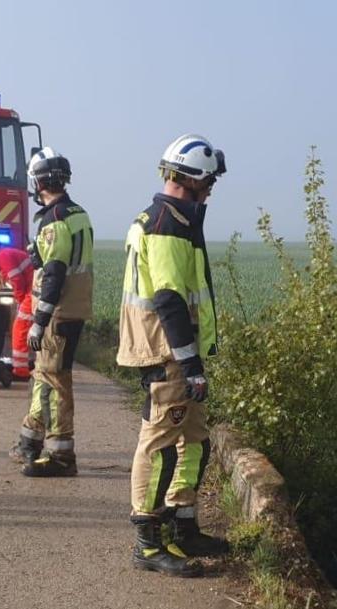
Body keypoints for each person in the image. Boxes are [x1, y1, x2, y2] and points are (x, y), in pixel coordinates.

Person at [117, 134, 229, 577]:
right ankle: (147, 542)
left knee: (195, 440)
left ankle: (183, 524)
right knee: (161, 445)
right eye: (210, 182)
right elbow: (168, 299)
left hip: (177, 354)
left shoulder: (179, 220)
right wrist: (191, 363)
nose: (212, 191)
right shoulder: (166, 225)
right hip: (167, 355)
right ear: (194, 179)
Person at [11, 148, 94, 477]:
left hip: (57, 314)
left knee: (55, 381)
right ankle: (28, 441)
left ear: (38, 181)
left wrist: (38, 321)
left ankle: (61, 454)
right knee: (44, 376)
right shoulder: (78, 213)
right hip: (75, 308)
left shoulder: (53, 219)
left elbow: (56, 275)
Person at [0, 234, 35, 379]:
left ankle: (21, 371)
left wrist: (21, 299)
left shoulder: (3, 256)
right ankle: (25, 366)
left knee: (19, 330)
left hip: (32, 293)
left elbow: (17, 280)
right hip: (33, 291)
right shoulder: (7, 253)